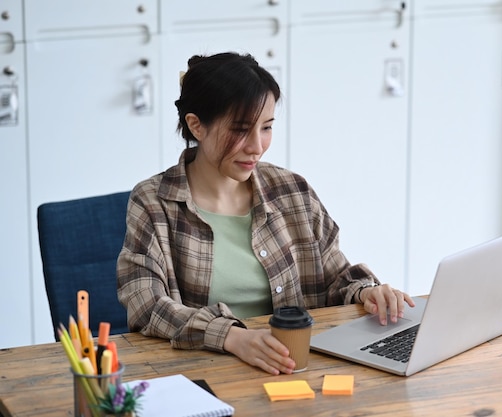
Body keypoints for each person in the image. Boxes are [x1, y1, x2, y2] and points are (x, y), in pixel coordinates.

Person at [117, 52, 415, 375]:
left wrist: (367, 292)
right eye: (241, 130)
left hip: (294, 370)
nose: (256, 146)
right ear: (196, 125)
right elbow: (145, 305)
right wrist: (232, 337)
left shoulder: (292, 190)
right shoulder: (153, 202)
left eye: (267, 127)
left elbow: (336, 278)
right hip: (205, 376)